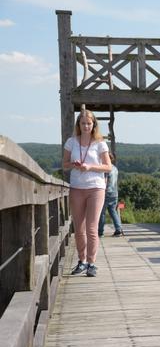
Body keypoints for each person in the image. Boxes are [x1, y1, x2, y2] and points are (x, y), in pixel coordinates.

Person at [62, 110, 112, 277]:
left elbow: (108, 167)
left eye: (89, 123)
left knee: (91, 228)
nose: (86, 126)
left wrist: (90, 167)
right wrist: (73, 164)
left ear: (93, 125)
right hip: (77, 187)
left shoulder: (100, 143)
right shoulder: (71, 142)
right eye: (83, 123)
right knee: (79, 228)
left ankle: (91, 263)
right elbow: (64, 165)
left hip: (96, 188)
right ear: (78, 125)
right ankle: (81, 261)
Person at [98, 153, 124, 237]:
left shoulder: (105, 168)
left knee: (102, 213)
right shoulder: (115, 168)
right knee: (113, 212)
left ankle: (100, 231)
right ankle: (118, 229)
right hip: (114, 193)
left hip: (106, 193)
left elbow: (104, 181)